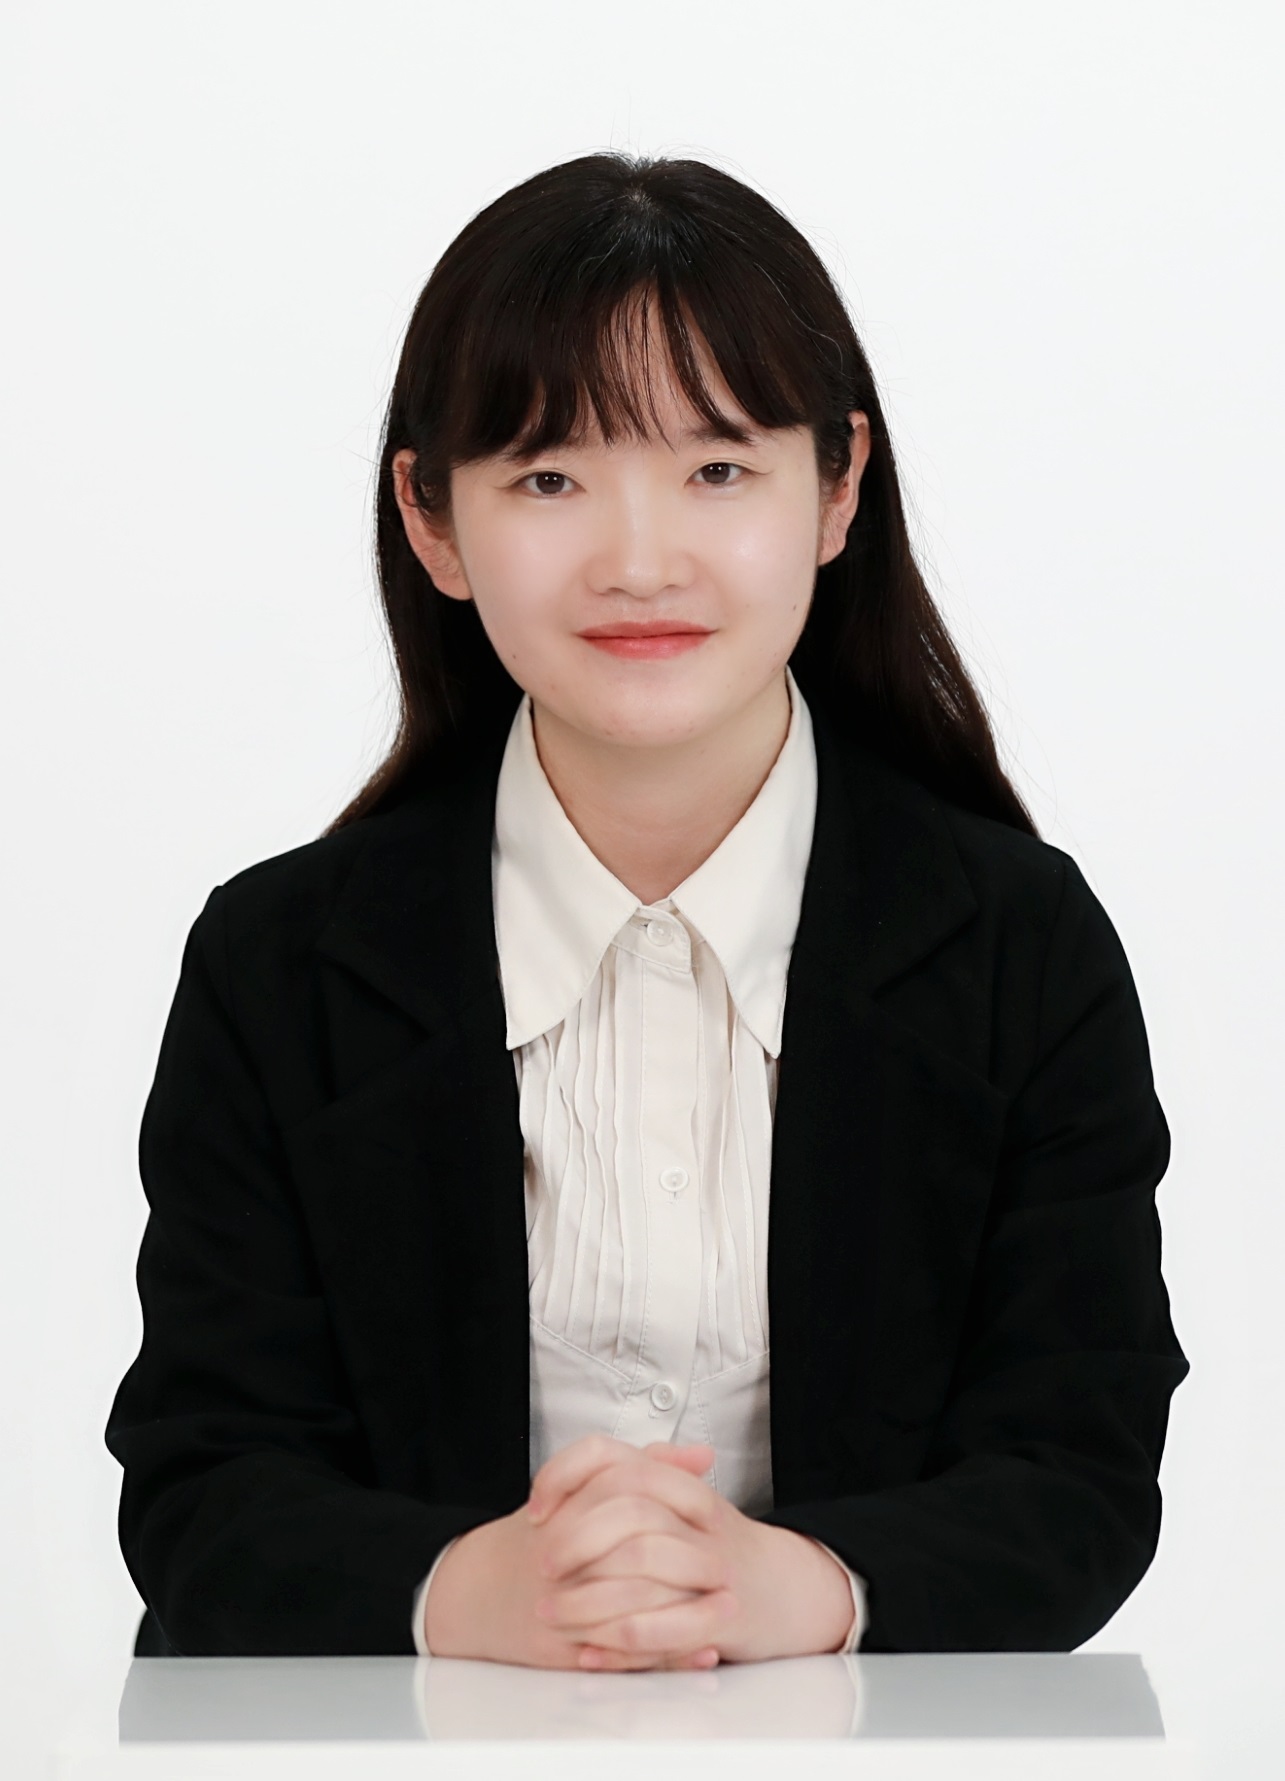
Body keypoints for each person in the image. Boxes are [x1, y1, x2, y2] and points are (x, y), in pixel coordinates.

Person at [105, 152, 1189, 1669]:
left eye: (717, 470)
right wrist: (468, 1595)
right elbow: (205, 1479)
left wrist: (803, 1590)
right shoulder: (278, 962)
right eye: (548, 478)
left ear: (838, 488)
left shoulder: (1022, 944)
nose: (638, 562)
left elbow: (1077, 1467)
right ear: (431, 518)